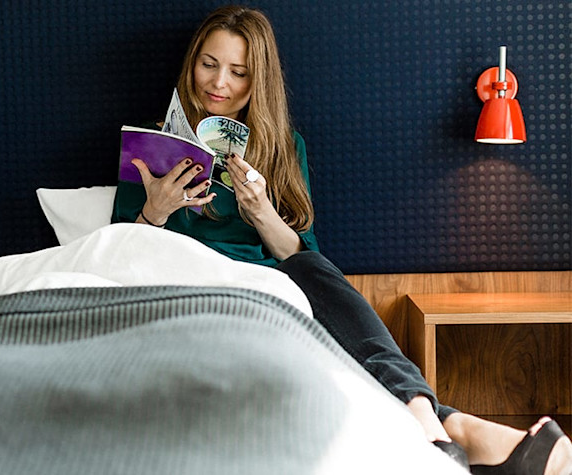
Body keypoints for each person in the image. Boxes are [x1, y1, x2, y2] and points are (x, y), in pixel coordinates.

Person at [111, 5, 572, 474]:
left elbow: (297, 250)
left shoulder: (284, 147)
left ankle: (425, 418)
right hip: (185, 276)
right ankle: (450, 429)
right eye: (209, 64)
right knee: (331, 340)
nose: (219, 83)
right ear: (192, 64)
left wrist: (260, 210)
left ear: (259, 80)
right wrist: (156, 210)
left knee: (314, 271)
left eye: (239, 72)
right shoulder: (152, 145)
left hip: (266, 285)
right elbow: (116, 254)